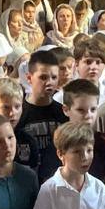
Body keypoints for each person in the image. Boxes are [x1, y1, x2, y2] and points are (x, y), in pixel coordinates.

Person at [16, 48, 68, 183]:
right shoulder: (18, 114)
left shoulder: (63, 113)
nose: (49, 82)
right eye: (43, 77)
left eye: (54, 77)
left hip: (57, 181)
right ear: (29, 78)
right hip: (26, 181)